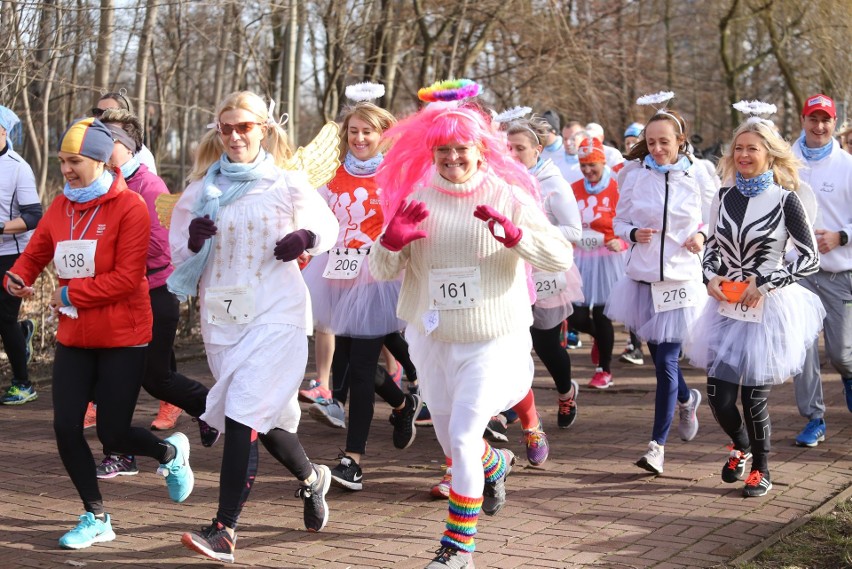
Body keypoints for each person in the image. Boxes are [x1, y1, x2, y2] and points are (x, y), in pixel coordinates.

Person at [370, 82, 573, 568]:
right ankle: (495, 462)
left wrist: (518, 237)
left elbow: (560, 255)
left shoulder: (505, 194)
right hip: (434, 336)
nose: (453, 158)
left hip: (491, 336)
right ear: (432, 151)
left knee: (461, 438)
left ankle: (457, 548)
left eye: (462, 149)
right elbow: (379, 270)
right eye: (444, 150)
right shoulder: (417, 196)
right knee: (454, 440)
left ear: (480, 149)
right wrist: (392, 241)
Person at [5, 117, 193, 549]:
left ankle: (169, 452)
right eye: (62, 161)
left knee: (113, 434)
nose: (66, 170)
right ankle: (96, 515)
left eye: (74, 161)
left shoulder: (129, 207)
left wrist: (70, 294)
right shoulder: (59, 206)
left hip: (123, 337)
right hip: (75, 338)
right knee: (66, 429)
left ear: (99, 160)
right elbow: (35, 254)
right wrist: (17, 276)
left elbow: (129, 279)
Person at [168, 91, 339, 563]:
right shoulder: (202, 189)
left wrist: (306, 237)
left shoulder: (286, 183)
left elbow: (329, 228)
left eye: (245, 127)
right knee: (262, 423)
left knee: (243, 412)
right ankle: (311, 478)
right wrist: (192, 240)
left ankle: (224, 529)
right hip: (223, 319)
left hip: (278, 315)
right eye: (227, 128)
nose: (236, 136)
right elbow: (177, 256)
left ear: (264, 129)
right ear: (217, 132)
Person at [687, 114, 823, 497]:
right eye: (739, 148)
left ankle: (761, 468)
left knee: (754, 395)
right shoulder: (723, 195)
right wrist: (709, 277)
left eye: (753, 148)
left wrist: (765, 283)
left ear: (770, 154)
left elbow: (809, 258)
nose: (744, 155)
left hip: (770, 309)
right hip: (725, 308)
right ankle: (741, 445)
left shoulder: (786, 199)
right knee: (719, 395)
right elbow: (711, 248)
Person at [87, 109, 219, 480]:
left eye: (107, 140)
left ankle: (211, 410)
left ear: (126, 147)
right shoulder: (102, 184)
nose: (98, 147)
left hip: (152, 294)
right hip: (115, 296)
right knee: (118, 373)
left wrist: (114, 256)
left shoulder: (149, 187)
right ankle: (122, 451)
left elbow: (163, 251)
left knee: (155, 378)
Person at [300, 99, 423, 490]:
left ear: (382, 135)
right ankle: (403, 405)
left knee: (360, 368)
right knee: (353, 367)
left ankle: (353, 459)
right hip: (337, 274)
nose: (360, 138)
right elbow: (316, 219)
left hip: (378, 275)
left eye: (367, 131)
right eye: (353, 131)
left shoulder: (394, 176)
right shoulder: (331, 176)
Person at [606, 106, 708, 475]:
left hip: (680, 280)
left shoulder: (700, 174)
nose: (657, 149)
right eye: (651, 142)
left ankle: (656, 448)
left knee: (666, 362)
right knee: (659, 360)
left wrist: (701, 235)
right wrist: (633, 233)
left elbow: (713, 219)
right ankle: (686, 397)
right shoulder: (633, 174)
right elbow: (619, 221)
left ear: (681, 141)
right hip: (642, 280)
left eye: (664, 142)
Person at [790, 94, 852, 446]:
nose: (819, 126)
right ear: (803, 120)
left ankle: (849, 375)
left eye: (825, 119)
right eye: (813, 119)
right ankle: (814, 418)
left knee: (841, 354)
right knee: (803, 347)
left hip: (838, 272)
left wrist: (840, 236)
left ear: (835, 122)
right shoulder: (786, 161)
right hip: (798, 274)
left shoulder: (847, 165)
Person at [570, 137, 627, 389]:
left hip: (608, 256)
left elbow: (631, 221)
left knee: (603, 314)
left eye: (592, 165)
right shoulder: (573, 189)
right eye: (583, 165)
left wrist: (621, 242)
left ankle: (604, 370)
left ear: (602, 162)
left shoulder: (617, 188)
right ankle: (599, 338)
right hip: (581, 256)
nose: (588, 171)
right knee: (575, 315)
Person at [0, 105, 42, 405]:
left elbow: (33, 216)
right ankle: (23, 331)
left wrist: (1, 228)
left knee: (4, 319)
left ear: (3, 131)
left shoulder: (18, 167)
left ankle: (22, 383)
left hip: (12, 253)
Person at [92, 91, 157, 174]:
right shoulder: (90, 147)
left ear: (125, 116)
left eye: (110, 111)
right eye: (97, 112)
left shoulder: (142, 156)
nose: (102, 117)